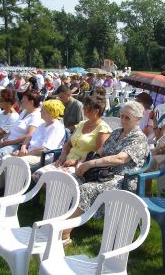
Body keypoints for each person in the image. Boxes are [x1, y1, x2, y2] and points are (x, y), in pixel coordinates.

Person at [62, 101, 148, 242]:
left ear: (138, 120)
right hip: (103, 173)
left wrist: (92, 163)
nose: (123, 120)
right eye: (121, 116)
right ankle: (62, 220)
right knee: (71, 181)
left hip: (123, 179)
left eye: (128, 118)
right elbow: (100, 152)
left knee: (86, 189)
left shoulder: (138, 137)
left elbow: (121, 159)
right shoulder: (116, 133)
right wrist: (82, 163)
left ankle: (64, 234)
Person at [32, 95, 112, 180]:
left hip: (81, 166)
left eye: (86, 106)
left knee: (53, 181)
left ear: (96, 110)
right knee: (37, 175)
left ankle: (55, 193)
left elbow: (98, 155)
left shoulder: (103, 129)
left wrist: (76, 161)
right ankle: (49, 193)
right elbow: (68, 144)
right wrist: (63, 155)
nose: (83, 108)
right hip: (66, 161)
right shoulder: (81, 124)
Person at [0, 89, 43, 168]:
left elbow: (29, 136)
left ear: (31, 102)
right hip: (9, 141)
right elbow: (14, 128)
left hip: (17, 145)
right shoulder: (24, 112)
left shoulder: (36, 116)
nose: (21, 100)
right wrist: (5, 138)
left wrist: (9, 142)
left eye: (24, 99)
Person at [12, 99, 66, 169]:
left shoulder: (56, 128)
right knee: (6, 159)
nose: (40, 111)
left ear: (50, 112)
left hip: (42, 157)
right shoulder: (43, 124)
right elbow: (30, 136)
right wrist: (23, 147)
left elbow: (44, 149)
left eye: (43, 110)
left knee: (16, 162)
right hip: (30, 153)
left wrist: (25, 154)